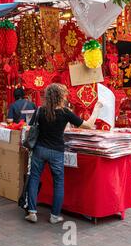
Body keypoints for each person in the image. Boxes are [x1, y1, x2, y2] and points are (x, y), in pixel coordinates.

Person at [25, 83, 102, 224]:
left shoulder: (40, 110)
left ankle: (32, 212)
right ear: (61, 97)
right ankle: (54, 215)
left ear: (47, 96)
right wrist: (96, 109)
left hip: (40, 149)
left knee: (35, 178)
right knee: (58, 183)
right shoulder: (65, 112)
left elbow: (30, 127)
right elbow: (88, 125)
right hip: (57, 151)